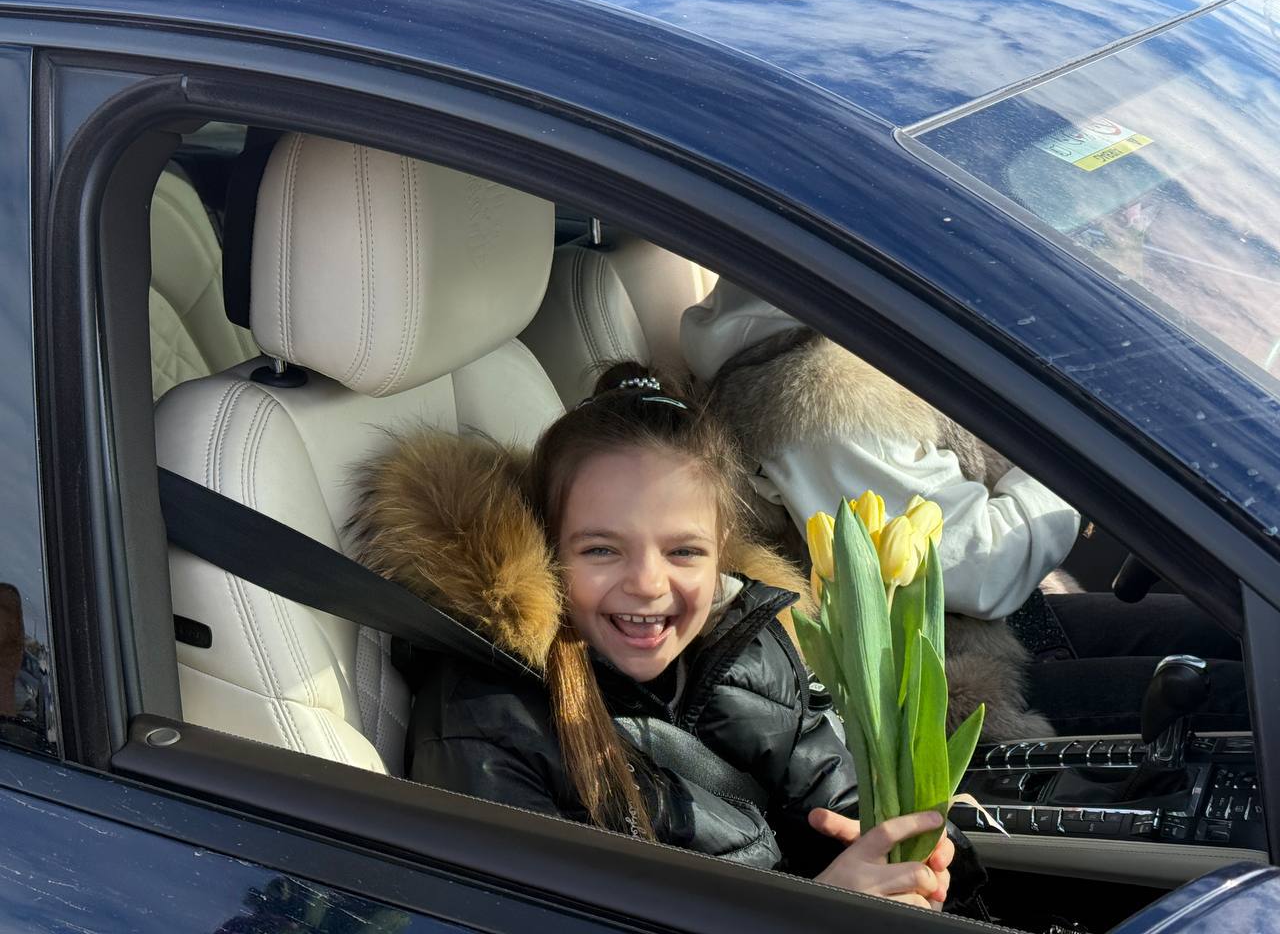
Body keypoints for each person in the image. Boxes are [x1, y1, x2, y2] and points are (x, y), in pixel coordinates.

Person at [348, 362, 955, 908]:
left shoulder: (751, 642)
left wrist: (906, 851)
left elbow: (835, 792)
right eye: (601, 549)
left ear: (722, 555)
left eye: (684, 551)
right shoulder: (485, 725)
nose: (646, 583)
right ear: (544, 549)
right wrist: (822, 909)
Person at [679, 282, 1248, 737]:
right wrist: (1078, 464)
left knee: (1233, 636)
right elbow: (979, 569)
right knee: (1240, 696)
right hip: (952, 680)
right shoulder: (818, 398)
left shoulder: (855, 323)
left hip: (1006, 623)